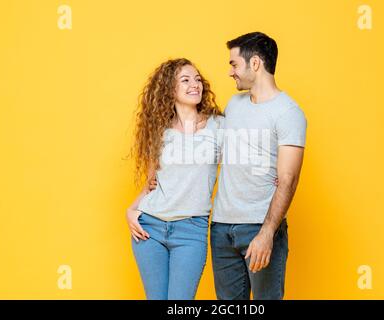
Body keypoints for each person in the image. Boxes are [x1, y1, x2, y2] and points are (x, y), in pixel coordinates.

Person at [210, 32, 307, 300]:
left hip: (258, 228)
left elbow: (288, 178)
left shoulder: (288, 113)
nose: (230, 72)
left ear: (255, 64)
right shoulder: (234, 104)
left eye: (234, 64)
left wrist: (267, 233)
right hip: (221, 228)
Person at [126, 58, 224, 300]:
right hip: (150, 228)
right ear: (170, 89)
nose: (195, 85)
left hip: (191, 230)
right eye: (186, 80)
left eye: (198, 79)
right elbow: (152, 184)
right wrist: (130, 209)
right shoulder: (159, 130)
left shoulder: (218, 126)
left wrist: (272, 176)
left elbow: (243, 165)